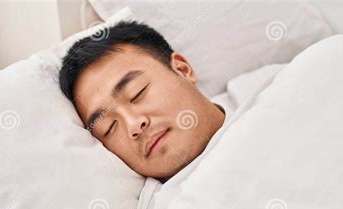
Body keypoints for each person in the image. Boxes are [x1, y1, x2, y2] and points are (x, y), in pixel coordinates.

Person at [59, 21, 225, 182]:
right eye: (109, 127)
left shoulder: (250, 103)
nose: (134, 125)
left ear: (182, 69)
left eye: (137, 92)